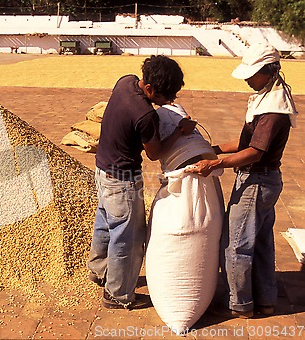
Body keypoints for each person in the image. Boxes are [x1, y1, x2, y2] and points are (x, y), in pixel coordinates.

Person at [186, 43, 298, 318]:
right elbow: (247, 141)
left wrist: (215, 163)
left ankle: (240, 303)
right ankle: (266, 300)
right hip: (266, 180)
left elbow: (255, 151)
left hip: (256, 182)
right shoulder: (270, 96)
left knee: (236, 243)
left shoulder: (273, 110)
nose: (248, 79)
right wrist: (216, 148)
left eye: (252, 74)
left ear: (269, 70)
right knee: (260, 242)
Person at [87, 55, 197, 309]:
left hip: (103, 169)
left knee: (105, 222)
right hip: (122, 179)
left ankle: (100, 270)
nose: (168, 102)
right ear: (148, 89)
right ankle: (118, 293)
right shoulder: (145, 115)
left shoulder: (125, 82)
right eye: (164, 97)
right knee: (129, 237)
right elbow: (155, 152)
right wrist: (180, 130)